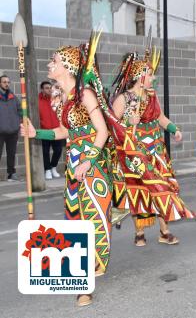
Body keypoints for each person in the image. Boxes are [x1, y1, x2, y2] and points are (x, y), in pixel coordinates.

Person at [21, 43, 111, 307]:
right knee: (74, 221)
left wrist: (88, 162)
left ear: (68, 66)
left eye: (54, 59)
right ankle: (81, 276)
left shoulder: (86, 95)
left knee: (91, 222)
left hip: (92, 166)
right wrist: (37, 134)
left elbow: (102, 132)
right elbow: (63, 132)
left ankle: (85, 285)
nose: (50, 64)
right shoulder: (59, 97)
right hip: (73, 165)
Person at [110, 52, 196, 246]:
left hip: (156, 150)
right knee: (138, 190)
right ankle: (139, 232)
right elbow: (112, 126)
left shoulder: (151, 96)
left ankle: (164, 231)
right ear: (140, 76)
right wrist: (128, 122)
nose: (154, 78)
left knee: (161, 186)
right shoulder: (123, 99)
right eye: (150, 74)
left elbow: (160, 118)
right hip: (134, 152)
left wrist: (175, 130)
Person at [38, 80, 63, 180]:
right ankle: (47, 170)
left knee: (58, 150)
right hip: (44, 130)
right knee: (45, 151)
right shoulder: (37, 100)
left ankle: (53, 167)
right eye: (46, 88)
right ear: (42, 89)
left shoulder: (56, 99)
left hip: (56, 130)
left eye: (50, 88)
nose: (49, 90)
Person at [0, 75, 21, 181]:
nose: (6, 84)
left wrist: (19, 124)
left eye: (8, 82)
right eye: (4, 82)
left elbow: (20, 111)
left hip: (13, 131)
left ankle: (11, 174)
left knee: (11, 154)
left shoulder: (13, 97)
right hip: (0, 131)